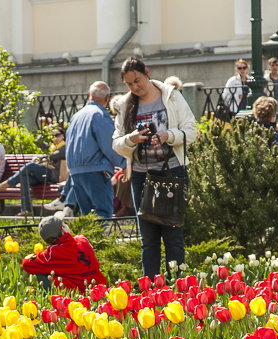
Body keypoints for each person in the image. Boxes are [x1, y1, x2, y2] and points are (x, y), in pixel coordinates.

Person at [113, 57, 198, 279]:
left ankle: (178, 289)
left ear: (147, 73)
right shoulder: (125, 105)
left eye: (137, 81)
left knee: (173, 235)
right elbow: (117, 143)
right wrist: (131, 139)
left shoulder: (171, 96)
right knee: (148, 240)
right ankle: (149, 291)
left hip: (172, 173)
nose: (134, 87)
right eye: (129, 84)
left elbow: (191, 131)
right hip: (141, 177)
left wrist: (167, 135)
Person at [63, 81, 122, 218]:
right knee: (103, 213)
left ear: (89, 94)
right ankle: (101, 240)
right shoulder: (100, 115)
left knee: (87, 216)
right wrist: (126, 164)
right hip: (96, 171)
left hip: (76, 172)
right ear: (107, 98)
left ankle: (89, 240)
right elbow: (110, 146)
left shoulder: (76, 116)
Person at [21, 215, 105, 291]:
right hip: (100, 289)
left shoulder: (52, 254)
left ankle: (53, 299)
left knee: (42, 272)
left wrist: (36, 254)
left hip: (78, 294)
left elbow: (26, 263)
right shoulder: (82, 240)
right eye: (64, 224)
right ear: (63, 229)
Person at [0, 126, 68, 217]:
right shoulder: (52, 147)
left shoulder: (64, 147)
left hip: (53, 175)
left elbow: (51, 156)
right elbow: (37, 141)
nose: (54, 138)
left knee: (30, 166)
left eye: (57, 135)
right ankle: (27, 211)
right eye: (52, 135)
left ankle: (9, 182)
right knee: (24, 178)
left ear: (63, 136)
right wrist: (46, 129)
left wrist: (39, 159)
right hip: (45, 175)